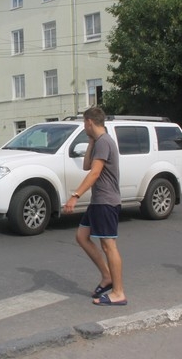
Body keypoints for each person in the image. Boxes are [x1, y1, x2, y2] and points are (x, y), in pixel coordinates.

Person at [63, 107, 127, 306]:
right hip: (98, 201)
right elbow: (86, 165)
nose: (84, 127)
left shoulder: (104, 142)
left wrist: (75, 196)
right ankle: (107, 277)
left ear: (90, 122)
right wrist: (90, 141)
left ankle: (118, 292)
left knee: (109, 246)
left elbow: (94, 173)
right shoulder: (99, 141)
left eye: (84, 123)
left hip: (106, 201)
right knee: (82, 237)